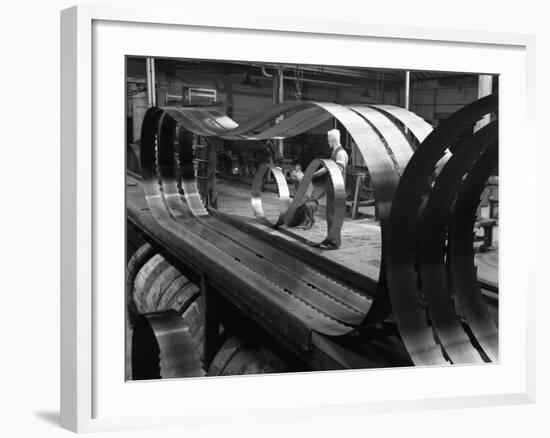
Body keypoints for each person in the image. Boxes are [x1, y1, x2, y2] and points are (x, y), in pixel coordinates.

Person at [311, 128, 349, 248]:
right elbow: (327, 168)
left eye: (329, 141)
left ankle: (335, 242)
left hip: (337, 189)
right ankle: (330, 239)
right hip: (332, 188)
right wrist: (313, 174)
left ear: (333, 140)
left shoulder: (340, 153)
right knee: (329, 214)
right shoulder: (335, 153)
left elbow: (338, 170)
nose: (328, 143)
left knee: (334, 214)